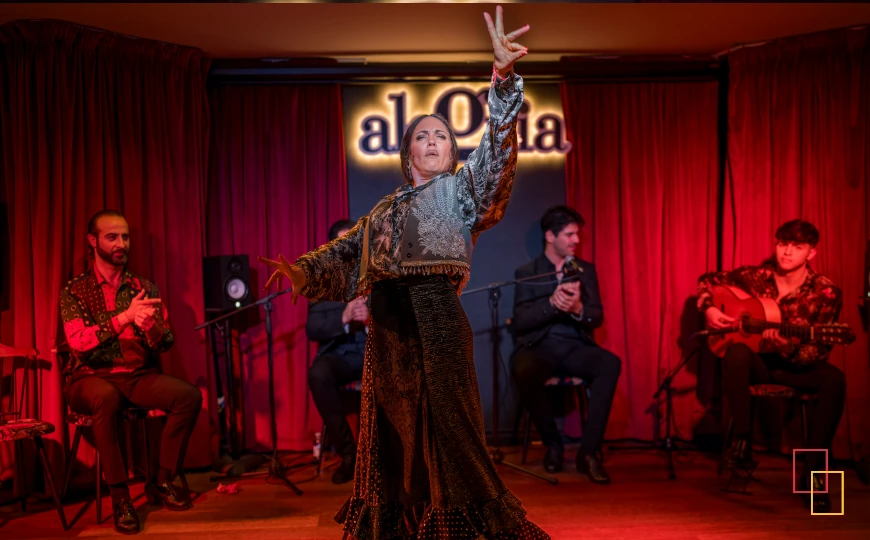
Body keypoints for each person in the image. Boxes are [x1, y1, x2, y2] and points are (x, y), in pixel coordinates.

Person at [260, 7, 547, 538]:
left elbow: (498, 152)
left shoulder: (464, 190)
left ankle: (463, 527)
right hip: (388, 330)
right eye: (424, 135)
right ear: (408, 150)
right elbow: (344, 254)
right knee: (395, 436)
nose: (435, 140)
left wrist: (503, 81)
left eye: (442, 134)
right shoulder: (384, 211)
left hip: (437, 317)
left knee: (450, 434)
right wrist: (301, 273)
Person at [60, 210, 203, 535]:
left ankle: (162, 479)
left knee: (188, 396)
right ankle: (121, 499)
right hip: (89, 377)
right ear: (93, 241)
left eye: (125, 237)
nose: (121, 243)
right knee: (106, 398)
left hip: (136, 376)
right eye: (112, 237)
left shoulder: (143, 286)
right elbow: (78, 342)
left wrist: (152, 329)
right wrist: (124, 318)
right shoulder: (76, 290)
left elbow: (165, 342)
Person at [697, 219, 844, 512]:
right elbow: (707, 281)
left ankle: (813, 477)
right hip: (759, 363)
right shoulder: (753, 277)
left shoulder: (826, 292)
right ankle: (742, 443)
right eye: (782, 244)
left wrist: (789, 347)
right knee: (736, 351)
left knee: (835, 380)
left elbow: (818, 350)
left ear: (811, 253)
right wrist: (710, 307)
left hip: (796, 367)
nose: (787, 252)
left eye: (797, 247)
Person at [511, 206, 621, 483]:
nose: (576, 240)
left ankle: (588, 453)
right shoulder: (527, 272)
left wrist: (578, 307)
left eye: (577, 235)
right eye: (569, 234)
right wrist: (551, 304)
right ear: (550, 236)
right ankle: (553, 445)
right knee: (521, 366)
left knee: (610, 363)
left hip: (576, 348)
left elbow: (596, 317)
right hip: (541, 347)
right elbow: (521, 321)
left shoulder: (585, 270)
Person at [307, 219, 368, 485]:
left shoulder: (377, 274)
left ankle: (390, 456)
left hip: (373, 351)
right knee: (318, 374)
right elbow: (313, 327)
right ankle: (349, 453)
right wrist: (343, 317)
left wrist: (372, 318)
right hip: (341, 355)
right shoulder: (322, 282)